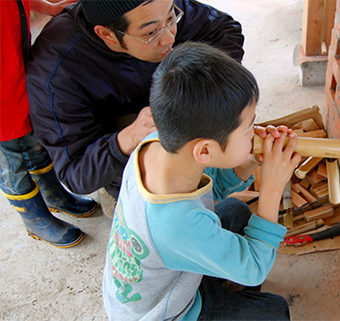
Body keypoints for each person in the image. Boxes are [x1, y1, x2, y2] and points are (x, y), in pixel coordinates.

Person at [102, 42, 301, 320]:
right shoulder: (175, 224)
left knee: (236, 213)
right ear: (205, 150)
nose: (254, 134)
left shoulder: (155, 144)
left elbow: (210, 186)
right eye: (247, 130)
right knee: (273, 311)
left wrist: (251, 160)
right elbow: (256, 266)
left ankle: (235, 290)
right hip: (166, 313)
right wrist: (271, 190)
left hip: (168, 270)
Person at [26, 0, 244, 199]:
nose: (170, 37)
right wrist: (128, 138)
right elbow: (76, 174)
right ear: (107, 34)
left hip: (178, 118)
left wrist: (197, 87)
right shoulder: (56, 71)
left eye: (171, 18)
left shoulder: (157, 9)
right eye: (151, 32)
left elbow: (225, 30)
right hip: (128, 159)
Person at [0, 0, 98, 248]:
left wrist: (43, 6)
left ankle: (53, 194)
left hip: (15, 71)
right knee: (12, 162)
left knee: (35, 142)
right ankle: (34, 217)